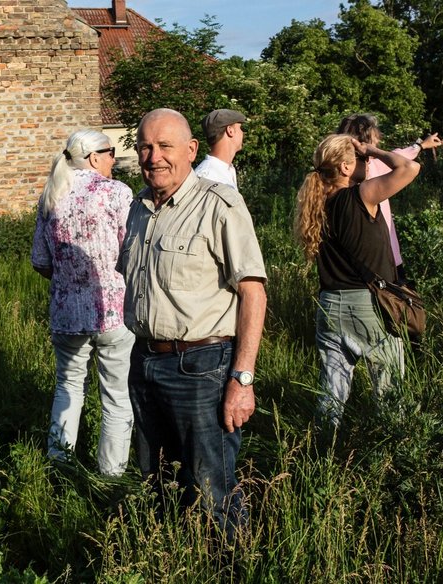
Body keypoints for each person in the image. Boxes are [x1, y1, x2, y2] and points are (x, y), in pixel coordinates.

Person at [117, 109, 267, 539]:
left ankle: (230, 565)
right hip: (144, 361)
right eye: (145, 146)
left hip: (201, 366)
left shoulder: (219, 204)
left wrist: (242, 378)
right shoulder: (138, 210)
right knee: (157, 480)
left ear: (191, 150)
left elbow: (253, 292)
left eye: (165, 146)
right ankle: (174, 558)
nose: (154, 157)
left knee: (210, 486)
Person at [294, 134, 420, 428]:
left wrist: (362, 154)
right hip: (369, 306)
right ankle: (390, 456)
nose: (368, 164)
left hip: (329, 305)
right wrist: (372, 148)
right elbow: (409, 168)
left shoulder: (316, 203)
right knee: (389, 395)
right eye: (362, 161)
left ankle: (324, 452)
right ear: (347, 167)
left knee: (330, 395)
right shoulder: (362, 195)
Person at [31, 129, 135, 476]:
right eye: (110, 153)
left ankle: (60, 465)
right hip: (113, 311)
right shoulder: (117, 193)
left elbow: (40, 261)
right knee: (116, 395)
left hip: (66, 314)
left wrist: (69, 282)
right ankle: (112, 474)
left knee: (69, 386)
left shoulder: (51, 195)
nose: (113, 160)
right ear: (94, 157)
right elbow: (131, 254)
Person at [337, 113, 441, 281]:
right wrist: (374, 151)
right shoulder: (366, 171)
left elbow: (401, 155)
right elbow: (407, 165)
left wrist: (420, 145)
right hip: (379, 262)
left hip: (372, 262)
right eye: (375, 142)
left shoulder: (339, 174)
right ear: (363, 143)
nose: (378, 144)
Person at [194, 108, 247, 189]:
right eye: (241, 128)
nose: (243, 133)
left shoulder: (226, 170)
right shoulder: (206, 177)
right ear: (230, 130)